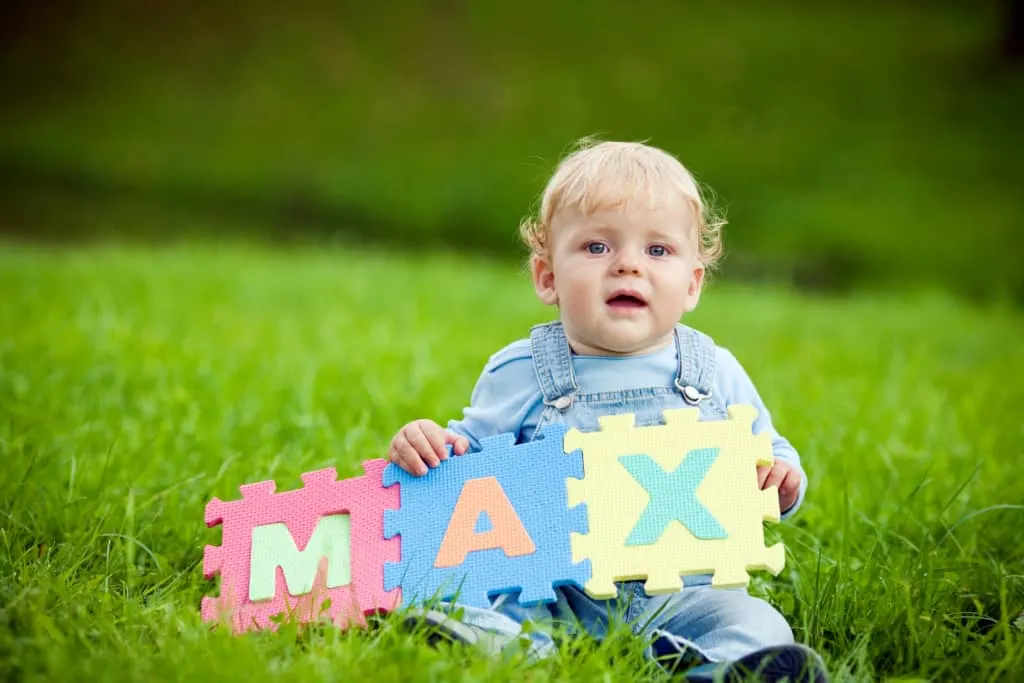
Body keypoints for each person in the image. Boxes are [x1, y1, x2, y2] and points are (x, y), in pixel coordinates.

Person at [387, 139, 829, 682]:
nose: (627, 266)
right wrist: (429, 444)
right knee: (484, 602)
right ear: (547, 277)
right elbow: (470, 468)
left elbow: (771, 452)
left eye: (658, 251)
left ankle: (714, 670)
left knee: (755, 620)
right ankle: (512, 648)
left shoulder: (713, 373)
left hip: (687, 592)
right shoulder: (522, 371)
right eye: (597, 248)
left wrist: (781, 480)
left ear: (692, 284)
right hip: (553, 590)